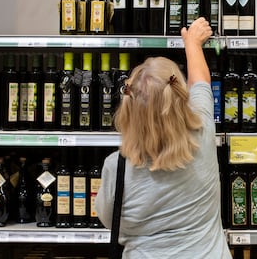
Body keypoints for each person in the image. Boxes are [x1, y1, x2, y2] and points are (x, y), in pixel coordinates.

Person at [95, 17, 232, 259]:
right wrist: (192, 43)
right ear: (180, 96)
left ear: (128, 108)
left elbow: (109, 220)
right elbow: (201, 82)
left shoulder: (116, 166)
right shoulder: (202, 134)